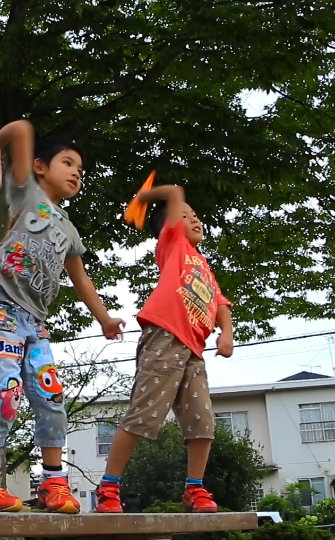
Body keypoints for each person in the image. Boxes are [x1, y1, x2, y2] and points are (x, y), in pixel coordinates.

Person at [0, 118, 125, 514]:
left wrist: (104, 319)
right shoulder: (26, 193)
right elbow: (20, 130)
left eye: (81, 170)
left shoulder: (68, 227)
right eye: (68, 163)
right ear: (39, 167)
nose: (77, 173)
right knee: (5, 390)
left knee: (51, 397)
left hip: (35, 321)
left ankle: (52, 483)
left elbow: (81, 279)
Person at [94, 183, 234, 513]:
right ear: (170, 225)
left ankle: (195, 489)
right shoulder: (173, 245)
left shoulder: (204, 266)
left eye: (196, 215)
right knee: (143, 415)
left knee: (203, 423)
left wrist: (226, 333)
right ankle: (109, 486)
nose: (194, 219)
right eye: (186, 215)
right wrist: (142, 198)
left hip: (194, 350)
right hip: (165, 338)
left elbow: (220, 303)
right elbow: (173, 193)